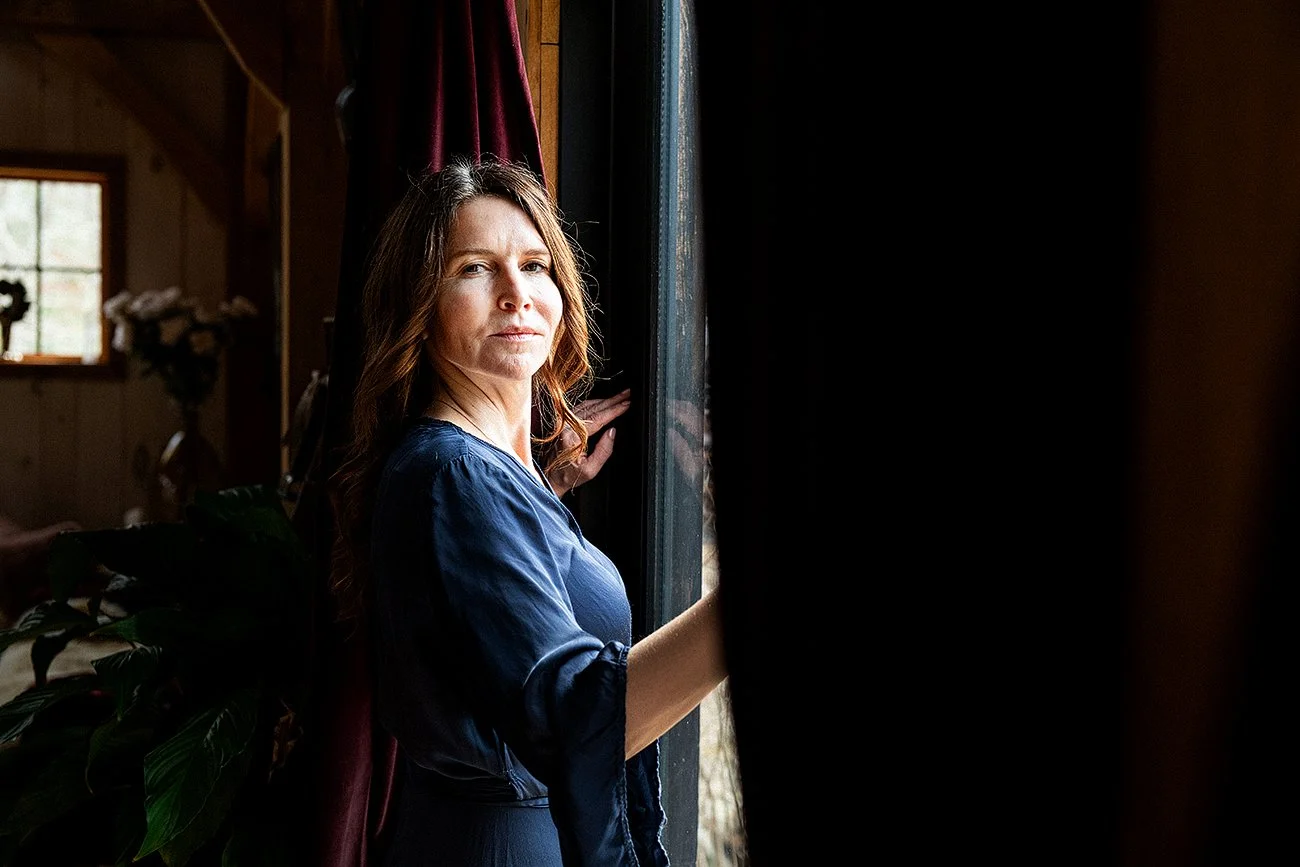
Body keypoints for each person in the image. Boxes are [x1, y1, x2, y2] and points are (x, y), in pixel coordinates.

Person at [328, 154, 727, 866]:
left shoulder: (477, 474)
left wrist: (539, 496)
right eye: (474, 269)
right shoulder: (453, 475)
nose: (516, 293)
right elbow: (574, 716)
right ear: (420, 306)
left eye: (535, 265)